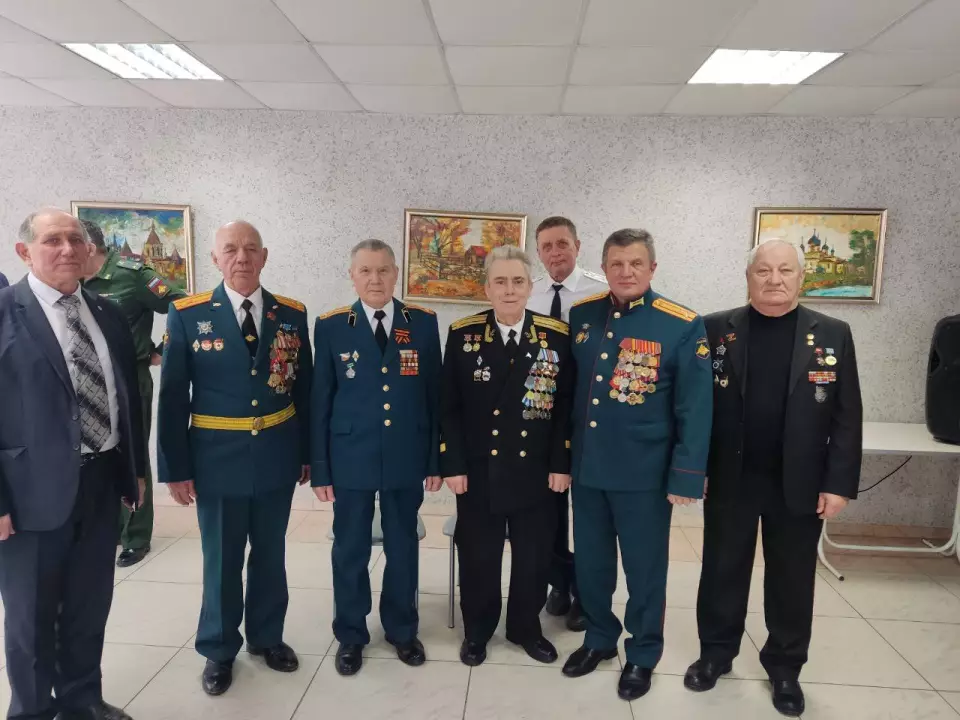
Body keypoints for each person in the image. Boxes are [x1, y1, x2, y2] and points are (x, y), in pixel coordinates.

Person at [684, 240, 862, 717]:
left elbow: (847, 415)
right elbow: (695, 408)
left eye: (785, 270)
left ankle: (785, 667)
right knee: (721, 570)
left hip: (799, 482)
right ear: (748, 277)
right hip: (731, 476)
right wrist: (694, 469)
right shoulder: (715, 328)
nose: (774, 279)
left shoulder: (834, 334)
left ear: (802, 278)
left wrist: (839, 483)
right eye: (763, 270)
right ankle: (716, 653)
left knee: (791, 578)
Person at [0, 208, 144, 720]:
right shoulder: (5, 312)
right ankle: (33, 711)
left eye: (75, 239)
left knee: (88, 605)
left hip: (101, 482)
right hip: (27, 494)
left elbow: (127, 396)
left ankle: (82, 701)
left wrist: (133, 470)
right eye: (52, 240)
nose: (67, 249)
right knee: (32, 618)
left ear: (89, 250)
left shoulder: (106, 312)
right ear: (24, 252)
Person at [157, 220, 312, 696]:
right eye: (230, 249)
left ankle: (267, 637)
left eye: (250, 249)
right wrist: (176, 468)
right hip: (216, 458)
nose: (241, 257)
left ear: (264, 256)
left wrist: (308, 454)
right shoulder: (188, 314)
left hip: (276, 455)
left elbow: (303, 390)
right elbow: (173, 398)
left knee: (270, 554)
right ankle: (219, 648)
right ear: (215, 259)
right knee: (222, 559)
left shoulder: (291, 314)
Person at [561, 228, 713, 702]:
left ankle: (643, 653)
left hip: (644, 475)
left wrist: (686, 475)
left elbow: (695, 407)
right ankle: (599, 639)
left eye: (636, 263)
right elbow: (569, 395)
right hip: (588, 469)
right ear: (604, 268)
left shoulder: (681, 324)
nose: (626, 272)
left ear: (652, 268)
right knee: (592, 564)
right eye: (616, 264)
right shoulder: (582, 315)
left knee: (645, 572)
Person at [311, 239, 442, 677]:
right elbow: (321, 400)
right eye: (365, 271)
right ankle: (351, 633)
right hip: (350, 456)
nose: (375, 279)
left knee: (403, 545)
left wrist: (435, 460)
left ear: (396, 274)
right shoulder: (332, 325)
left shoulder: (422, 323)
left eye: (383, 270)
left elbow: (434, 397)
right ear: (352, 275)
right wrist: (321, 468)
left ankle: (402, 629)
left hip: (406, 454)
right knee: (350, 548)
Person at [441, 246, 574, 667]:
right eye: (500, 281)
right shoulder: (463, 334)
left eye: (518, 281)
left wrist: (561, 464)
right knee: (478, 556)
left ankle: (525, 628)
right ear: (487, 289)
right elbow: (449, 407)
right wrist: (453, 464)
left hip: (537, 470)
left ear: (531, 286)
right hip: (480, 469)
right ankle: (478, 631)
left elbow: (564, 407)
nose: (509, 289)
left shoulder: (555, 335)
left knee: (534, 556)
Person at [81, 218, 188, 568]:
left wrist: (162, 349)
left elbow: (183, 306)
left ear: (89, 247)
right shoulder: (71, 282)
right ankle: (108, 526)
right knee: (95, 455)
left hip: (129, 377)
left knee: (132, 455)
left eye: (72, 243)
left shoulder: (132, 275)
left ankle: (136, 536)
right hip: (84, 381)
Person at [527, 216, 607, 632]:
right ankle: (560, 582)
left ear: (578, 245)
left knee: (590, 516)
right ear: (538, 252)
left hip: (590, 416)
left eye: (562, 244)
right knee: (549, 511)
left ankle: (587, 595)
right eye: (547, 246)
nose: (555, 252)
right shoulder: (530, 293)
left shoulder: (603, 292)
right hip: (544, 416)